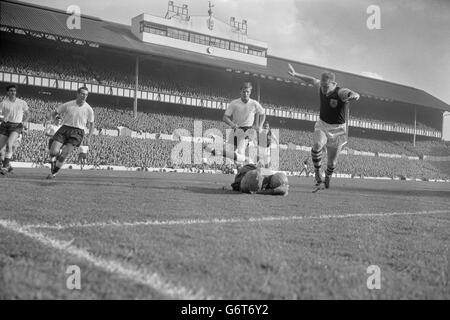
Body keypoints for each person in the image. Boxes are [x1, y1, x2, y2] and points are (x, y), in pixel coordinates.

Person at [288, 64, 360, 188]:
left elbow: (349, 92)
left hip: (338, 130)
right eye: (322, 85)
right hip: (322, 124)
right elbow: (311, 80)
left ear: (334, 84)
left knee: (332, 162)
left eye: (326, 86)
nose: (323, 89)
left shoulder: (340, 92)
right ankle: (317, 173)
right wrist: (296, 74)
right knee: (317, 145)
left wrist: (354, 95)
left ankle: (328, 176)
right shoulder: (321, 86)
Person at [46, 86, 94, 179]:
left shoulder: (89, 109)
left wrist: (89, 137)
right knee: (53, 151)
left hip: (77, 132)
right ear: (78, 94)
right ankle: (56, 159)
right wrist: (50, 119)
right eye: (82, 94)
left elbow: (92, 125)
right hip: (65, 128)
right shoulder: (68, 105)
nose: (84, 96)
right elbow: (55, 112)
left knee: (64, 154)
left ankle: (53, 173)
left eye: (86, 95)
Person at [222, 82, 265, 166]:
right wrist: (232, 124)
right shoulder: (234, 103)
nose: (245, 93)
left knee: (241, 150)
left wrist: (260, 126)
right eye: (244, 91)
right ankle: (248, 164)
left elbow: (263, 114)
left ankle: (248, 164)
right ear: (240, 92)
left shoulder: (254, 103)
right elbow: (225, 117)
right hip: (236, 129)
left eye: (247, 92)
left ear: (250, 92)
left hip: (248, 130)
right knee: (229, 153)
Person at [0, 84, 29, 174]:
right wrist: (1, 118)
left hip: (16, 126)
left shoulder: (22, 102)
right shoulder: (3, 103)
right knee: (0, 150)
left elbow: (27, 114)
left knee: (9, 144)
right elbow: (0, 114)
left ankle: (4, 168)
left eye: (14, 90)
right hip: (5, 125)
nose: (13, 92)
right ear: (7, 92)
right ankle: (7, 165)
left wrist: (24, 121)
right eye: (11, 90)